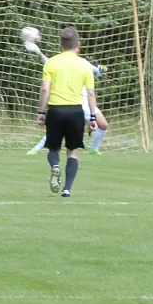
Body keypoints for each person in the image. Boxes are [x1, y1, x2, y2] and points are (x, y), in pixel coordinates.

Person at [37, 27, 98, 197]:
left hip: (55, 110)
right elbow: (91, 93)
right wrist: (92, 117)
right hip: (76, 112)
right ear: (77, 44)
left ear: (60, 45)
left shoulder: (51, 62)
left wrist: (41, 111)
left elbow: (45, 89)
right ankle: (67, 188)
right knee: (72, 151)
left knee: (53, 149)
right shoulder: (84, 65)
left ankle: (55, 167)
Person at [24, 40, 109, 156]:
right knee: (58, 130)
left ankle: (94, 149)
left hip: (85, 101)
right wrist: (38, 52)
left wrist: (102, 69)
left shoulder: (83, 62)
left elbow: (97, 72)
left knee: (103, 125)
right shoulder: (58, 63)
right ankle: (36, 149)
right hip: (71, 101)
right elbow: (47, 62)